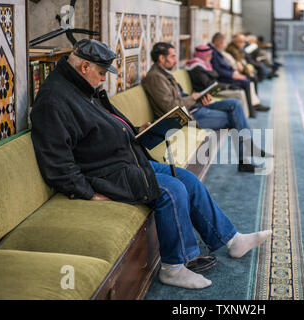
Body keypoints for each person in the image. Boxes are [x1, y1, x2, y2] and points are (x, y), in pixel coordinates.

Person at [29, 38, 272, 290]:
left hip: (123, 158)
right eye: (101, 73)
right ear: (85, 67)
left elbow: (102, 127)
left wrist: (136, 130)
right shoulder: (53, 100)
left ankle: (231, 240)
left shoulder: (80, 88)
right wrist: (87, 192)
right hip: (104, 172)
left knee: (186, 179)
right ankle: (174, 267)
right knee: (171, 189)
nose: (103, 79)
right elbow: (57, 162)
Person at [142, 42, 272, 173]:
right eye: (173, 56)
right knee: (235, 117)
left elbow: (179, 96)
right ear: (161, 58)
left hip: (194, 107)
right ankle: (245, 158)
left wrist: (199, 98)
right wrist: (193, 98)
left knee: (234, 103)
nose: (176, 60)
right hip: (187, 118)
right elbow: (171, 107)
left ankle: (247, 151)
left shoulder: (163, 73)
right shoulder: (155, 77)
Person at [209, 33, 270, 116]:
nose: (224, 45)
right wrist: (233, 74)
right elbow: (218, 70)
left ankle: (253, 105)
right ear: (218, 42)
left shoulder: (216, 50)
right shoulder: (213, 51)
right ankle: (251, 110)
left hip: (230, 73)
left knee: (251, 78)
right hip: (223, 78)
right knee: (246, 81)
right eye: (223, 43)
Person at [184, 45, 251, 117]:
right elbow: (208, 84)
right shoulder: (197, 67)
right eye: (209, 55)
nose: (211, 56)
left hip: (214, 88)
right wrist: (227, 86)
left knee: (240, 89)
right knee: (239, 93)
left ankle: (243, 119)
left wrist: (226, 86)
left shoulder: (203, 64)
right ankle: (244, 118)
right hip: (207, 93)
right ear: (203, 55)